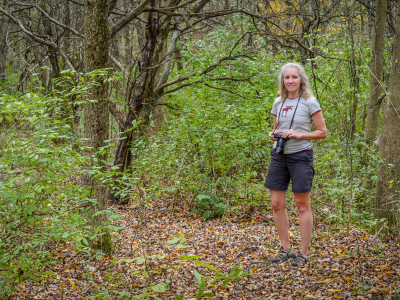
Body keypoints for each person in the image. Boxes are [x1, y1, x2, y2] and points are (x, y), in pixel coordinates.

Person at [264, 62, 327, 266]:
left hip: (301, 156)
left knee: (301, 205)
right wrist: (274, 135)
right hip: (279, 155)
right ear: (282, 80)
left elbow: (322, 132)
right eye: (287, 77)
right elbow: (276, 129)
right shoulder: (278, 102)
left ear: (301, 80)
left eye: (294, 77)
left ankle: (303, 252)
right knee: (276, 204)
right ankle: (285, 248)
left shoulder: (310, 101)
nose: (290, 81)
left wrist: (299, 134)